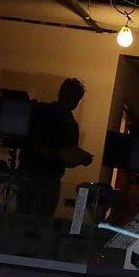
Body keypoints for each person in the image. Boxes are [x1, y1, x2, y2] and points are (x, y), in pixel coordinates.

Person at [16, 78, 93, 216]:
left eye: (75, 97)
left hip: (48, 176)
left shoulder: (69, 124)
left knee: (37, 217)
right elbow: (31, 141)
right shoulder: (42, 112)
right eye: (70, 95)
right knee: (29, 217)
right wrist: (59, 155)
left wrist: (79, 159)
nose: (72, 100)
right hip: (34, 172)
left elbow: (68, 156)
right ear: (60, 93)